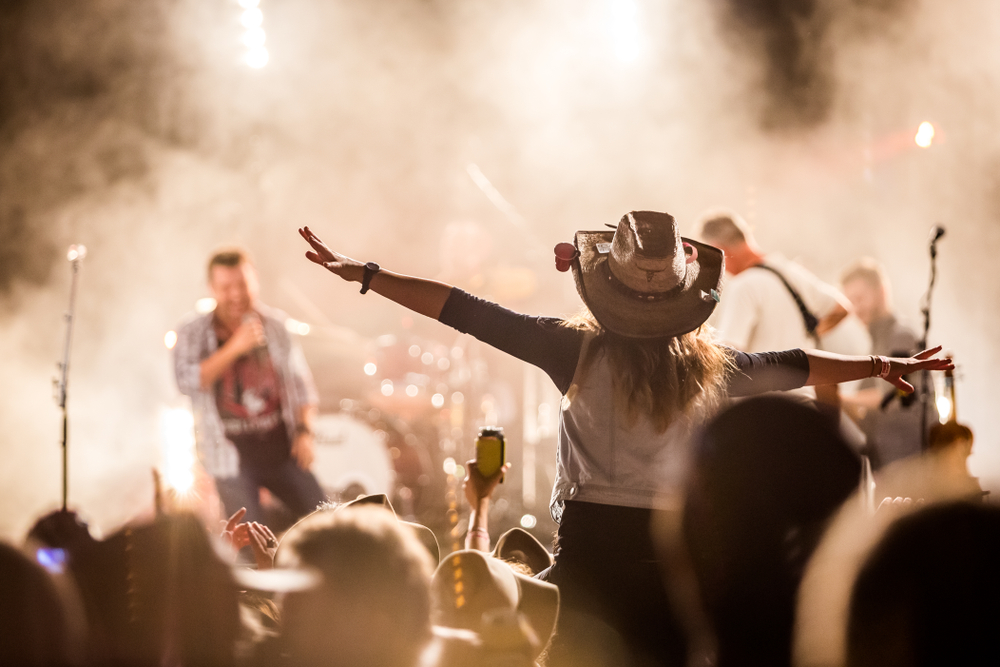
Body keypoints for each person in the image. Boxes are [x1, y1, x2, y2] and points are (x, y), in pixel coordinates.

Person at [298, 212, 951, 667]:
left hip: (588, 551)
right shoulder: (712, 366)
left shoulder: (572, 348)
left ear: (605, 285)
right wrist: (882, 366)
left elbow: (462, 308)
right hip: (671, 551)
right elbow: (799, 363)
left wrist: (368, 274)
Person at [174, 248, 325, 524]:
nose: (235, 295)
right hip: (229, 458)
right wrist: (235, 346)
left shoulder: (276, 325)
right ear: (211, 289)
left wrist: (305, 432)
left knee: (327, 521)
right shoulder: (191, 332)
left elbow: (303, 387)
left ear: (255, 282)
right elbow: (185, 382)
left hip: (283, 450)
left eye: (242, 285)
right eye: (226, 287)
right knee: (250, 543)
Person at [839, 258, 922, 466]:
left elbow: (897, 397)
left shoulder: (901, 336)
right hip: (888, 458)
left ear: (882, 292)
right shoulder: (877, 342)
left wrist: (839, 399)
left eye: (860, 298)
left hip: (908, 459)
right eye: (851, 302)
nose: (856, 308)